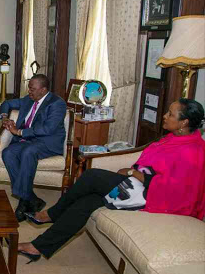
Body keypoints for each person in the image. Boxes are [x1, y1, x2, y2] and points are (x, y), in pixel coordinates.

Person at [16, 99, 205, 263]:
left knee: (91, 176)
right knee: (86, 203)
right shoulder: (176, 138)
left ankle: (52, 213)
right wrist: (135, 173)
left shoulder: (192, 152)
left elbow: (173, 190)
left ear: (184, 122)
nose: (164, 116)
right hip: (137, 187)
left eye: (170, 114)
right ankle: (37, 247)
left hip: (150, 196)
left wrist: (132, 173)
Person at [0, 74, 67, 221]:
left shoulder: (57, 103)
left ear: (43, 90)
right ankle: (31, 198)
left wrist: (20, 132)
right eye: (29, 88)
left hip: (47, 142)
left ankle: (24, 201)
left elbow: (48, 129)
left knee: (28, 152)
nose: (29, 91)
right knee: (8, 153)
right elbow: (7, 103)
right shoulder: (29, 99)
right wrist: (5, 117)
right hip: (28, 140)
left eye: (32, 89)